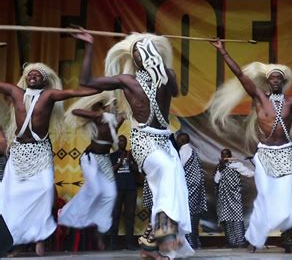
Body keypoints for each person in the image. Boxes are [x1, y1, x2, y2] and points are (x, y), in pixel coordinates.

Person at [78, 30, 193, 259]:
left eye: (145, 49)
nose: (141, 55)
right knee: (169, 171)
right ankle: (160, 233)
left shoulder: (167, 75)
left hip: (164, 140)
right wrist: (90, 45)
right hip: (143, 141)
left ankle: (153, 246)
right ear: (133, 59)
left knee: (173, 184)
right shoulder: (127, 80)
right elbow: (87, 81)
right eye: (137, 52)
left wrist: (160, 68)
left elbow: (175, 92)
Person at [209, 39, 292, 253]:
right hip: (264, 154)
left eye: (279, 78)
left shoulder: (291, 101)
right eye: (272, 78)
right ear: (267, 81)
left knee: (288, 197)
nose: (275, 81)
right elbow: (240, 76)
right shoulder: (259, 97)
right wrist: (223, 52)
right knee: (264, 197)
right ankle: (255, 239)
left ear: (283, 82)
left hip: (285, 154)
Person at [0, 40, 100, 255]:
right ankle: (15, 241)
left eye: (38, 74)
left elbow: (81, 90)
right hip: (18, 153)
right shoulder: (16, 93)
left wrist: (90, 48)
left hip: (40, 151)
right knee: (9, 196)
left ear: (45, 80)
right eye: (30, 73)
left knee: (45, 191)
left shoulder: (49, 95)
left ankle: (39, 235)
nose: (33, 76)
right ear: (25, 77)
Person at [59, 91, 124, 250]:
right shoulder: (99, 117)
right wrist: (96, 113)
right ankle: (66, 213)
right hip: (90, 158)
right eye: (111, 105)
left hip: (104, 160)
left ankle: (99, 225)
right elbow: (75, 111)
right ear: (105, 107)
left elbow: (126, 111)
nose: (114, 107)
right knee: (95, 190)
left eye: (115, 105)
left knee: (110, 194)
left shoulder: (118, 119)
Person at [214, 148, 254, 248]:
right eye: (223, 155)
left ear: (230, 155)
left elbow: (249, 173)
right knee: (227, 219)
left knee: (237, 218)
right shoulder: (219, 167)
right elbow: (216, 180)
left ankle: (240, 242)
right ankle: (231, 242)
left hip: (235, 196)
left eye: (227, 155)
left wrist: (257, 166)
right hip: (224, 198)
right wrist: (220, 169)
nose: (225, 157)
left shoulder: (237, 165)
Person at [176, 133, 208, 249]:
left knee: (188, 215)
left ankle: (191, 243)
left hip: (190, 187)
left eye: (178, 139)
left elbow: (179, 168)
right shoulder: (193, 151)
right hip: (197, 187)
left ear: (181, 140)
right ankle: (194, 242)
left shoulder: (183, 152)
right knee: (194, 215)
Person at [109, 135, 139, 250]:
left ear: (126, 142)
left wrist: (130, 162)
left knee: (130, 216)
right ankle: (112, 244)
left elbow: (138, 171)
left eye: (123, 140)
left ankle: (130, 243)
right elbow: (110, 171)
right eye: (120, 140)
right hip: (116, 189)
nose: (122, 142)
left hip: (130, 189)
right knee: (115, 215)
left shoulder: (131, 155)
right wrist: (120, 162)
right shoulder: (112, 156)